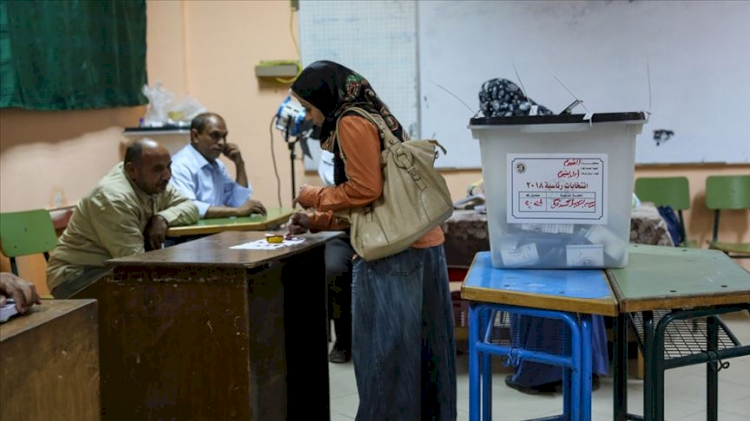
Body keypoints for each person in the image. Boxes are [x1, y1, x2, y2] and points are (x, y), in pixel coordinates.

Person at [285, 60, 457, 420]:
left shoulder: (350, 121)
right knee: (426, 357)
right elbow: (377, 205)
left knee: (385, 361)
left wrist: (313, 195)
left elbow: (364, 190)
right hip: (419, 243)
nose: (310, 117)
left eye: (308, 107)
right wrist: (315, 221)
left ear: (324, 97)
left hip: (393, 256)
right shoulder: (378, 116)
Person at [46, 139, 199, 298]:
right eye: (158, 169)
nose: (167, 175)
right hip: (77, 277)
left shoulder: (152, 183)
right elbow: (135, 265)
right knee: (166, 295)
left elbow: (190, 207)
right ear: (132, 170)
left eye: (169, 166)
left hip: (114, 268)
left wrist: (162, 218)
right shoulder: (114, 198)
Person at [170, 112, 266, 218]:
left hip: (214, 232)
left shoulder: (218, 166)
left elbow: (239, 203)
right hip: (191, 234)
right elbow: (187, 208)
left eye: (224, 136)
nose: (221, 142)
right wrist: (236, 211)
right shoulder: (181, 165)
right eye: (215, 135)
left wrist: (239, 164)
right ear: (195, 136)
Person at [318, 149, 355, 363]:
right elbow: (340, 193)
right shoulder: (329, 149)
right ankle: (342, 340)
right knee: (334, 269)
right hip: (341, 229)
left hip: (375, 227)